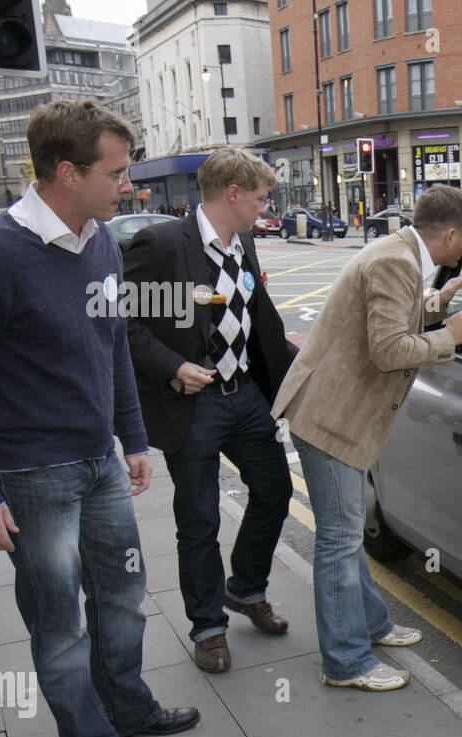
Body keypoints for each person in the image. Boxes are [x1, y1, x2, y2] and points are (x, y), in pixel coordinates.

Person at [0, 100, 199, 737]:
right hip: (28, 473)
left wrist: (133, 437)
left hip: (100, 462)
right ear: (65, 171)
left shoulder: (100, 240)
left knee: (123, 600)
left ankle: (129, 706)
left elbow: (111, 346)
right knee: (59, 629)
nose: (130, 186)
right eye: (116, 173)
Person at [271, 184, 462, 691]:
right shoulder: (396, 262)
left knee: (343, 537)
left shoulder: (399, 254)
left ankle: (371, 625)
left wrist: (435, 304)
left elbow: (385, 317)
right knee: (340, 542)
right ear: (450, 233)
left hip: (334, 414)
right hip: (331, 419)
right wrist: (448, 336)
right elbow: (389, 349)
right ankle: (345, 662)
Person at [124, 148, 295, 673]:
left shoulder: (243, 241)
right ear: (234, 194)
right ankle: (208, 627)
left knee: (275, 489)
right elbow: (124, 323)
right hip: (193, 406)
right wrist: (173, 366)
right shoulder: (163, 243)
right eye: (262, 197)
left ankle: (244, 588)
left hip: (244, 397)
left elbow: (255, 316)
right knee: (198, 520)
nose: (267, 207)